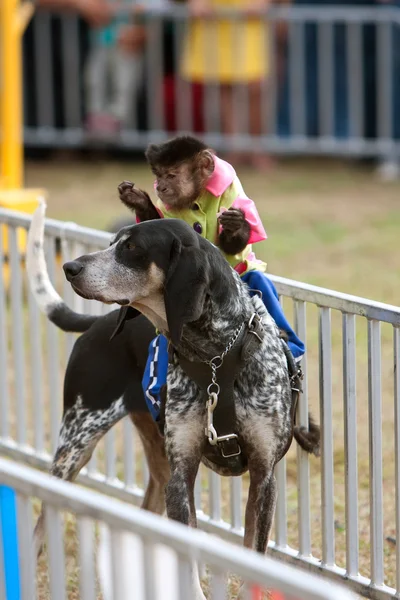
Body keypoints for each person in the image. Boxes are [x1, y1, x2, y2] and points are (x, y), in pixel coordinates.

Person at [180, 0, 274, 170]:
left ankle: (258, 149)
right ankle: (235, 148)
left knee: (255, 88)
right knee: (224, 88)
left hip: (248, 23)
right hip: (214, 23)